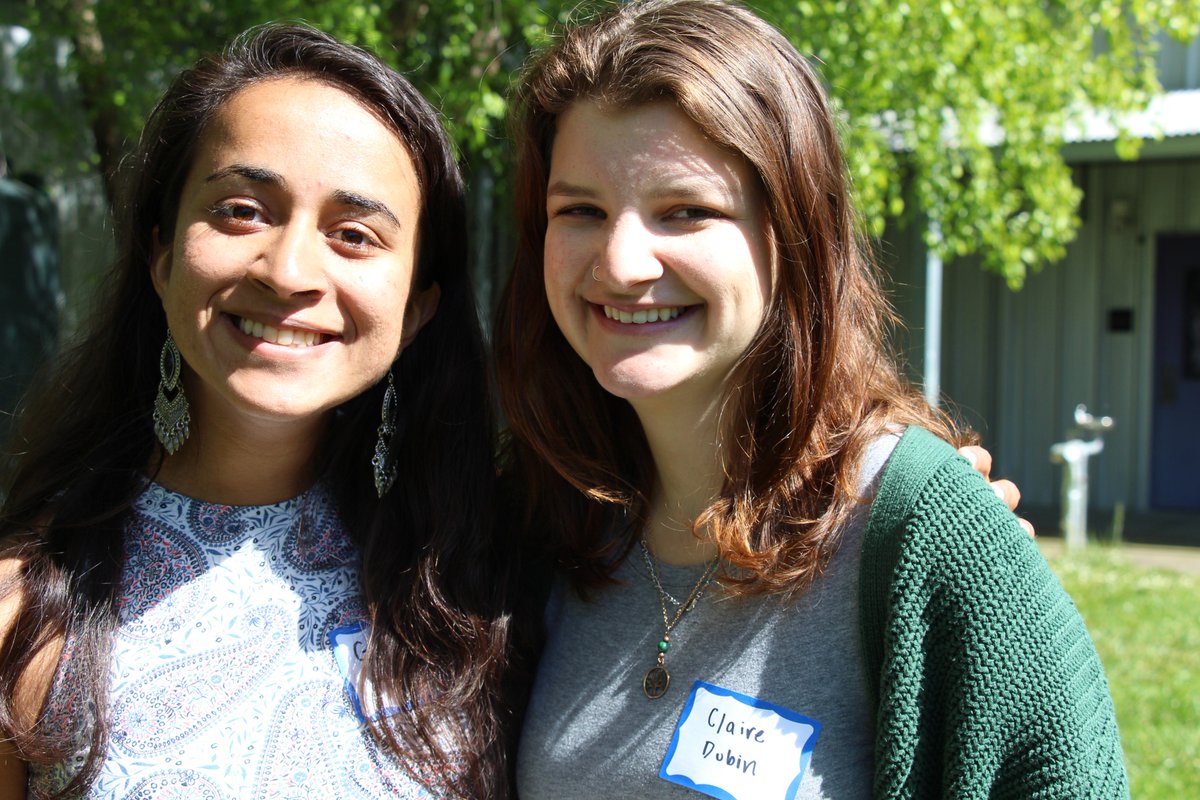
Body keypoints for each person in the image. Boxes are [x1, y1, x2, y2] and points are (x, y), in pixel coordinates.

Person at [494, 1, 1126, 797]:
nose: (621, 264)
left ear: (795, 233)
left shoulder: (920, 536)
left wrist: (949, 535)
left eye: (686, 210)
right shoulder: (541, 521)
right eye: (579, 211)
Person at [0, 25, 517, 798]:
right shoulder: (21, 615)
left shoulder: (488, 590)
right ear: (163, 254)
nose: (289, 272)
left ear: (417, 308)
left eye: (353, 234)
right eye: (242, 210)